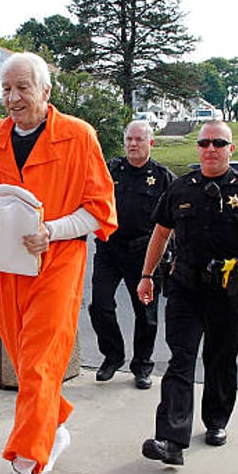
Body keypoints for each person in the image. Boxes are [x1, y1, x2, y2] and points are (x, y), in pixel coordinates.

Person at [0, 52, 117, 474]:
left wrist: (52, 229)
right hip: (7, 267)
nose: (12, 99)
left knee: (38, 365)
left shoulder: (78, 136)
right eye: (5, 89)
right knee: (27, 360)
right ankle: (55, 427)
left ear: (46, 91)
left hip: (58, 264)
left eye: (22, 88)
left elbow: (99, 210)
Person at [136, 121, 238, 466]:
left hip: (227, 293)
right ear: (197, 148)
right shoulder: (181, 188)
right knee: (180, 360)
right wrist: (147, 276)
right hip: (185, 289)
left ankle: (216, 421)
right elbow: (160, 234)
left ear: (231, 149)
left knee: (220, 359)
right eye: (204, 143)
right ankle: (171, 440)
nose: (210, 148)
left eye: (219, 142)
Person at [89, 120, 175, 389]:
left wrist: (172, 256)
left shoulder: (163, 177)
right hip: (109, 249)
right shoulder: (111, 170)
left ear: (151, 143)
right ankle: (112, 356)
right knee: (100, 305)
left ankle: (142, 366)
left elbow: (175, 222)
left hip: (145, 253)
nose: (133, 144)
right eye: (129, 139)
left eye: (139, 139)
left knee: (146, 313)